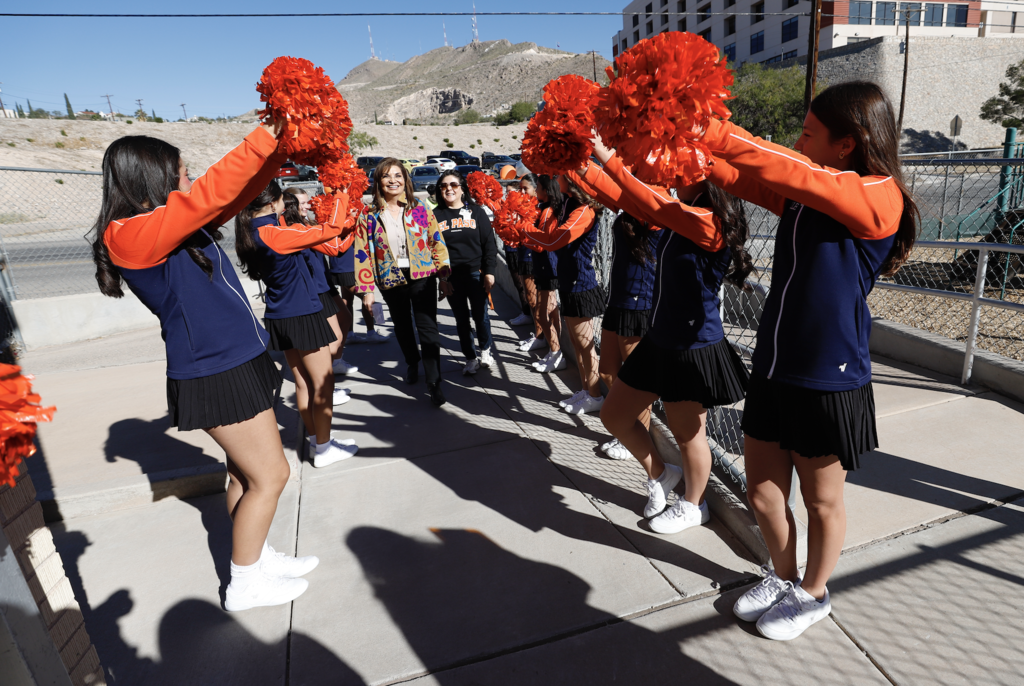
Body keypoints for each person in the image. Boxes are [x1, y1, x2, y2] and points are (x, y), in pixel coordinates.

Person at [701, 82, 918, 641]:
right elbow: (746, 177)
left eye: (808, 134)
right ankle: (783, 575)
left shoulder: (878, 195)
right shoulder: (810, 194)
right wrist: (684, 147)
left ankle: (815, 593)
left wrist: (717, 130)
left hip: (829, 373)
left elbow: (792, 171)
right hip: (775, 362)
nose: (799, 143)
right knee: (761, 492)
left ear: (847, 144)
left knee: (822, 499)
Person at [90, 122, 322, 612]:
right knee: (272, 476)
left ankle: (254, 558)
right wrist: (268, 133)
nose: (191, 182)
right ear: (149, 179)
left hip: (240, 358)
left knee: (244, 475)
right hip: (214, 370)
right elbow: (212, 193)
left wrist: (280, 156)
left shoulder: (173, 225)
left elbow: (234, 196)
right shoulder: (129, 235)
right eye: (182, 174)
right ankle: (244, 584)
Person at [584, 139, 751, 539]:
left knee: (688, 431)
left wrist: (607, 155)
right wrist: (580, 162)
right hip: (660, 341)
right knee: (614, 415)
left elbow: (653, 202)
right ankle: (663, 473)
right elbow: (627, 196)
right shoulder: (682, 217)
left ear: (708, 178)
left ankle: (695, 505)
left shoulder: (708, 223)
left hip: (691, 346)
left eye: (683, 168)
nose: (673, 174)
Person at [235, 181, 360, 469]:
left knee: (304, 382)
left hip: (279, 314)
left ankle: (319, 440)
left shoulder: (253, 231)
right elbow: (329, 231)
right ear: (272, 203)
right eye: (282, 198)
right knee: (323, 383)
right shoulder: (274, 233)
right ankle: (324, 448)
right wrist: (341, 192)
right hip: (303, 312)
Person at [565, 168, 659, 459]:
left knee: (638, 381)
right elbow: (604, 190)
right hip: (617, 299)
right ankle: (628, 430)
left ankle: (636, 441)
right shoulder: (629, 206)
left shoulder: (654, 209)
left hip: (639, 301)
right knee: (607, 370)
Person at [355, 158, 452, 406]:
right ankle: (411, 362)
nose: (393, 180)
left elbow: (436, 241)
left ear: (405, 180)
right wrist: (366, 290)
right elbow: (362, 252)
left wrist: (444, 274)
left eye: (398, 175)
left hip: (422, 275)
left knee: (428, 328)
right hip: (390, 277)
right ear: (378, 181)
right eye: (387, 176)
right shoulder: (368, 214)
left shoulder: (419, 207)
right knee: (402, 326)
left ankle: (434, 382)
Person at [522, 176, 606, 413]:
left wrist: (525, 228)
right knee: (578, 345)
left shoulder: (584, 210)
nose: (556, 177)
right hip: (569, 281)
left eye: (561, 175)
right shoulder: (569, 205)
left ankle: (596, 395)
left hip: (581, 283)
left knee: (585, 346)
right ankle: (587, 390)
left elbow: (554, 240)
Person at [282, 189, 353, 398]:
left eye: (307, 202)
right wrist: (349, 224)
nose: (306, 207)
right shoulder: (296, 230)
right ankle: (324, 384)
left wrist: (352, 227)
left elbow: (335, 244)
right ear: (291, 206)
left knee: (345, 320)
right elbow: (334, 248)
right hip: (315, 289)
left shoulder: (307, 225)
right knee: (332, 338)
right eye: (301, 203)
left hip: (325, 283)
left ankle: (332, 369)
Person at [432, 171, 497, 375]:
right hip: (451, 277)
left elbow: (489, 244)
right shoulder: (434, 216)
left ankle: (485, 350)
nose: (448, 189)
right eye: (443, 186)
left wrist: (489, 272)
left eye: (453, 184)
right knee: (461, 320)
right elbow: (432, 249)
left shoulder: (476, 212)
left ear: (462, 188)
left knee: (481, 316)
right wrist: (442, 279)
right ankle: (470, 358)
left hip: (475, 274)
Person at [522, 175, 565, 372]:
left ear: (545, 190)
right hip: (545, 265)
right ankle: (555, 350)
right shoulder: (542, 209)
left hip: (548, 265)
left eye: (537, 186)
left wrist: (524, 232)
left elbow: (545, 242)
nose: (535, 190)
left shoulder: (548, 211)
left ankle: (556, 353)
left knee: (543, 311)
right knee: (549, 309)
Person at [512, 174, 545, 349]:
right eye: (520, 188)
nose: (522, 192)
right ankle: (538, 334)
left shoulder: (540, 209)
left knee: (535, 298)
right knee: (531, 298)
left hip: (533, 255)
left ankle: (540, 337)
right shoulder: (521, 206)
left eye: (526, 188)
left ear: (535, 189)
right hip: (523, 252)